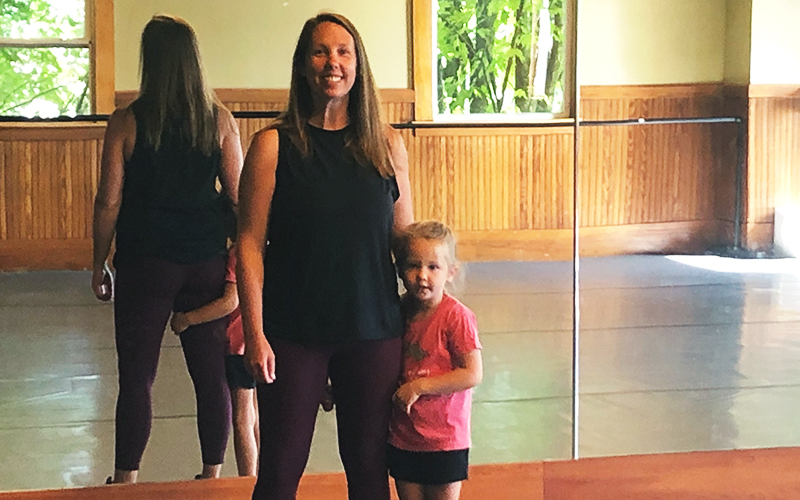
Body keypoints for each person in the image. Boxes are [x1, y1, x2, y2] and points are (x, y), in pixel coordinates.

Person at [236, 12, 413, 500]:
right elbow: (249, 245)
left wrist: (436, 317)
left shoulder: (387, 146)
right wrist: (254, 333)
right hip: (294, 334)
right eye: (319, 51)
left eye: (342, 52)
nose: (331, 62)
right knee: (278, 475)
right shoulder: (273, 146)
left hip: (373, 333)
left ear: (358, 65)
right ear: (302, 65)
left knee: (370, 475)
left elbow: (406, 243)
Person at [91, 14, 243, 484]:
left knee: (137, 377)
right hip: (205, 262)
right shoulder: (218, 121)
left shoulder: (127, 123)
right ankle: (211, 474)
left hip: (145, 263)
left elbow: (109, 201)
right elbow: (239, 197)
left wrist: (98, 263)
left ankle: (126, 479)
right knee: (209, 376)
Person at [388, 221, 483, 500]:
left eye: (433, 267)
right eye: (413, 266)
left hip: (445, 441)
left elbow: (472, 373)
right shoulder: (398, 312)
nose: (422, 275)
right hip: (405, 438)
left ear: (450, 272)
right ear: (400, 270)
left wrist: (419, 387)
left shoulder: (456, 317)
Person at [170, 244, 259, 477]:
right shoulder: (270, 249)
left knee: (241, 419)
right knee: (254, 414)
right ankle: (263, 473)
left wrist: (187, 318)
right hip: (263, 344)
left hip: (239, 345)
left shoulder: (239, 253)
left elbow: (230, 302)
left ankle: (247, 480)